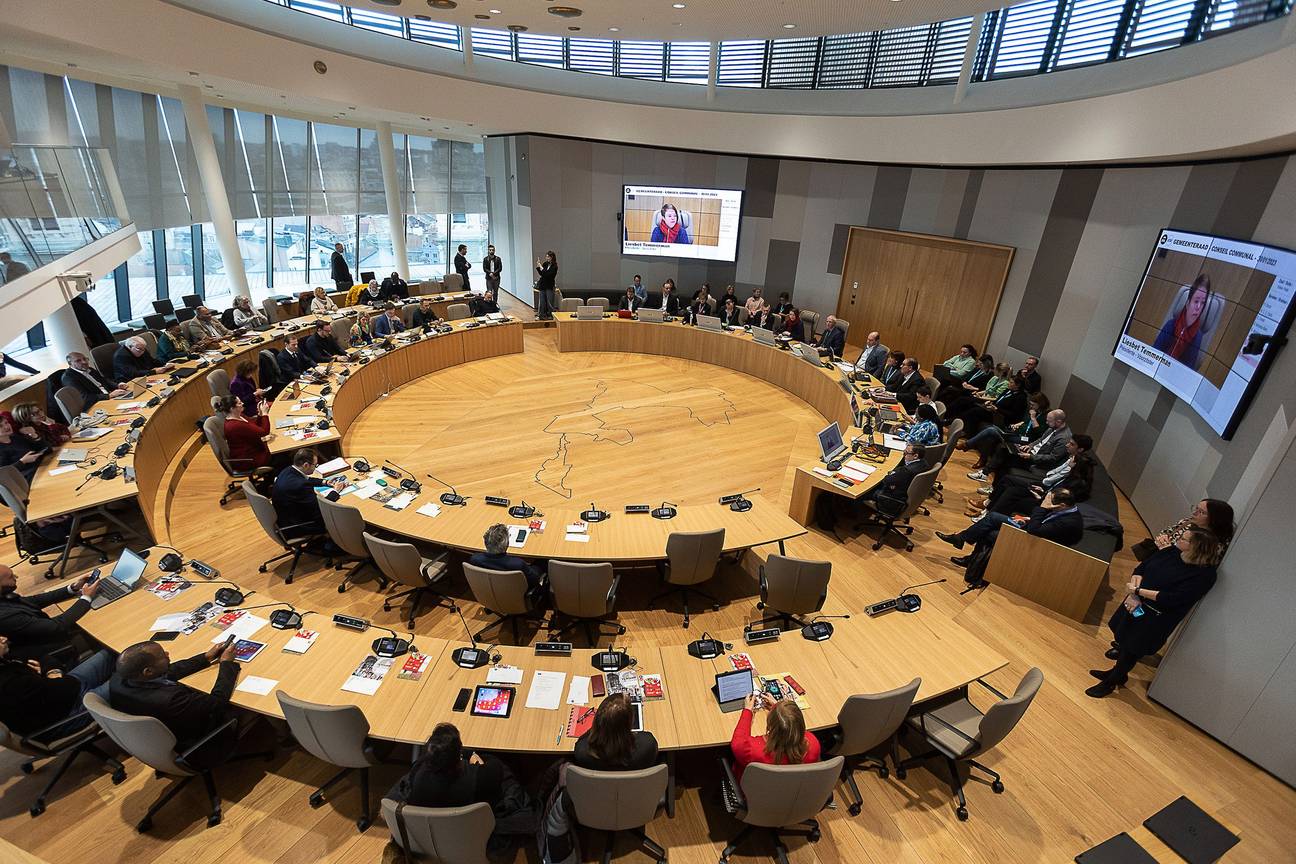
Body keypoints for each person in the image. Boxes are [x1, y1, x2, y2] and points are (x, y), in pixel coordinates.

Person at [1087, 526, 1221, 698]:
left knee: (1133, 647)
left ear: (1197, 548)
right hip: (1136, 602)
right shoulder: (1171, 552)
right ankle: (1118, 674)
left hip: (1155, 617)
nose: (1178, 538)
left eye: (1184, 538)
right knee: (1124, 638)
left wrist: (1137, 592)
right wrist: (1134, 592)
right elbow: (1142, 569)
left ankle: (1110, 682)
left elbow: (1172, 598)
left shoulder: (1204, 575)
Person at [386, 723, 535, 853]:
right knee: (509, 773)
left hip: (428, 844)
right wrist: (474, 756)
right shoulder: (483, 778)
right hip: (474, 842)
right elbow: (495, 763)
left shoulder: (417, 774)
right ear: (458, 757)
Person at [109, 638, 241, 768]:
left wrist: (206, 657)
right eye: (162, 655)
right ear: (148, 671)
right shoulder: (171, 700)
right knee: (240, 705)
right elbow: (218, 702)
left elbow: (168, 672)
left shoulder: (120, 679)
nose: (167, 654)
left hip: (156, 739)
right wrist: (226, 663)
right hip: (197, 742)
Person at [0, 634, 115, 738]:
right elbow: (60, 690)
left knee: (111, 652)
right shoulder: (9, 683)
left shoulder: (5, 659)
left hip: (67, 689)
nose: (4, 638)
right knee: (126, 677)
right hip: (67, 717)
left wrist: (50, 672)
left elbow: (39, 655)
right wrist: (42, 676)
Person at [937, 488, 1083, 568]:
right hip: (1035, 531)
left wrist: (1042, 509)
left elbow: (1035, 531)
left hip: (1040, 546)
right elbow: (1046, 524)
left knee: (990, 529)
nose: (1044, 503)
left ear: (1062, 506)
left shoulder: (1069, 522)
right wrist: (1030, 519)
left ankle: (965, 548)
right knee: (993, 518)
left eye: (1047, 501)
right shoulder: (1066, 511)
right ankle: (964, 546)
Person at [969, 435, 1094, 518]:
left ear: (1081, 449)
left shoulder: (1074, 475)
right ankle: (987, 506)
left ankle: (987, 514)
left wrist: (1043, 492)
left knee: (1012, 491)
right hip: (1045, 488)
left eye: (1071, 444)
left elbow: (1055, 488)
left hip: (1045, 495)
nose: (1067, 445)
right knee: (1007, 478)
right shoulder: (1072, 462)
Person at [0, 564, 100, 664]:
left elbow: (34, 600)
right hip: (46, 646)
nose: (16, 577)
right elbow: (56, 626)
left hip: (44, 629)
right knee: (97, 624)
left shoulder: (4, 596)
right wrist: (86, 598)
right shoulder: (6, 617)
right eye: (10, 577)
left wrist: (73, 587)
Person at [730, 693, 820, 783]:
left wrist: (747, 710)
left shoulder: (752, 750)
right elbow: (791, 726)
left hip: (755, 793)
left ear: (769, 726)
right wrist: (780, 710)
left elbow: (738, 741)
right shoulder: (813, 744)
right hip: (792, 790)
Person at [573, 693, 658, 771]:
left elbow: (587, 737)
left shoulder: (582, 751)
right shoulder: (648, 745)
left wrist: (598, 727)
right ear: (631, 722)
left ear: (597, 720)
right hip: (635, 786)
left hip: (597, 787)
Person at [272, 448, 344, 540]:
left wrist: (325, 482)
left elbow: (305, 479)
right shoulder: (299, 486)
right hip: (300, 525)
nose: (316, 467)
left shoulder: (288, 470)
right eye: (315, 465)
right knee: (338, 513)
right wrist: (336, 491)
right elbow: (321, 507)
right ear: (306, 465)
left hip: (285, 518)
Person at [1132, 498, 1234, 562]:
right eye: (1196, 508)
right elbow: (1165, 533)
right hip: (1155, 560)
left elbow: (1191, 565)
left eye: (1201, 512)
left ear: (1215, 519)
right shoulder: (1188, 522)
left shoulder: (1213, 545)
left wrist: (1166, 548)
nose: (1194, 513)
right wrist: (1161, 541)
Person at [1153, 274, 1214, 370]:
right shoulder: (1171, 325)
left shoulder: (1197, 337)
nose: (1198, 307)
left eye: (1202, 303)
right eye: (1196, 301)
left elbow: (1187, 370)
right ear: (1187, 302)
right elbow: (1153, 352)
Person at [468, 524, 544, 591]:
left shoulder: (475, 559)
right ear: (507, 544)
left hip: (489, 592)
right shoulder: (517, 564)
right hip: (516, 595)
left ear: (485, 542)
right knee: (542, 562)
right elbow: (534, 579)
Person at [217, 393, 273, 471]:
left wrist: (260, 414)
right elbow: (264, 432)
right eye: (239, 403)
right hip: (249, 459)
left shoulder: (240, 416)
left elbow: (254, 427)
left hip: (253, 449)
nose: (242, 403)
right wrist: (265, 414)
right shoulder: (235, 425)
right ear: (232, 409)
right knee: (282, 458)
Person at [63, 351, 131, 409]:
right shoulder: (69, 377)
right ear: (70, 364)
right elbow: (85, 398)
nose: (84, 362)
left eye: (85, 359)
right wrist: (109, 396)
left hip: (110, 398)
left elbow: (104, 380)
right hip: (97, 404)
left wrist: (118, 385)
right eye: (78, 361)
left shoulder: (89, 369)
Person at [535, 251, 558, 321]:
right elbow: (542, 274)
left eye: (548, 256)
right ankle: (541, 315)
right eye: (546, 256)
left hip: (549, 285)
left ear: (552, 257)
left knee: (549, 302)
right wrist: (538, 266)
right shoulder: (545, 264)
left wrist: (541, 267)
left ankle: (550, 315)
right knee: (542, 301)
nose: (546, 258)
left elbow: (548, 275)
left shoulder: (554, 266)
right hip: (543, 285)